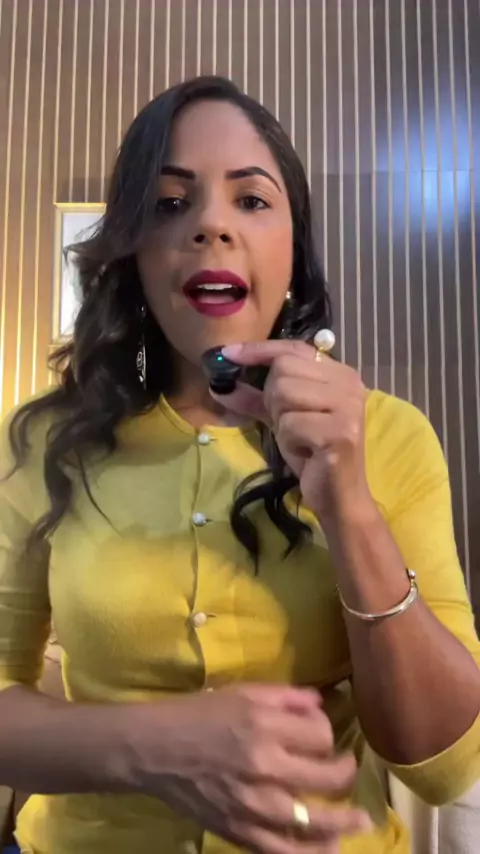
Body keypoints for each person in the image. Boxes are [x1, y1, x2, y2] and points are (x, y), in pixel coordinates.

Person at [0, 75, 479, 854]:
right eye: (169, 204)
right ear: (133, 252)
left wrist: (349, 504)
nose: (211, 225)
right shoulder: (38, 442)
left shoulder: (391, 435)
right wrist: (151, 747)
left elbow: (444, 764)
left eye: (251, 200)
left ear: (294, 247)